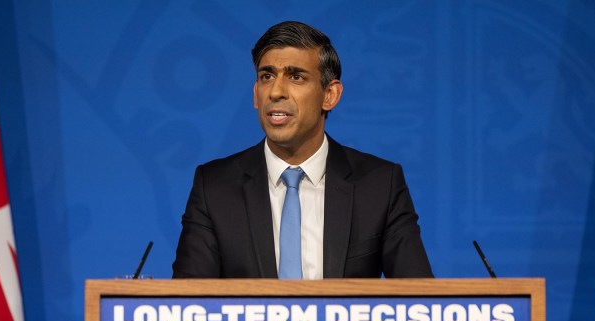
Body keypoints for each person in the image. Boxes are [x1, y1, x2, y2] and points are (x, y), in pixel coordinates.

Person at [172, 21, 432, 279]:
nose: (275, 91)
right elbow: (186, 307)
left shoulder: (379, 185)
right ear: (255, 94)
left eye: (296, 77)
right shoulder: (214, 187)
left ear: (329, 95)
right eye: (267, 76)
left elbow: (420, 301)